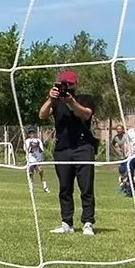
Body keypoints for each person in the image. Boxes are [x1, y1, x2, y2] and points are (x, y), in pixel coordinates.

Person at [41, 72, 98, 236]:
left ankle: (88, 222)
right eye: (64, 84)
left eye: (69, 84)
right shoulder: (56, 102)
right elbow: (42, 114)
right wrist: (51, 99)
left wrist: (72, 102)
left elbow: (86, 114)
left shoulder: (85, 98)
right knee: (64, 188)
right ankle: (67, 223)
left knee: (86, 187)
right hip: (62, 150)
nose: (66, 87)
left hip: (83, 148)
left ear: (75, 84)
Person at [23, 129, 47, 194]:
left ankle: (45, 187)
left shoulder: (39, 140)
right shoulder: (27, 141)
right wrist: (31, 146)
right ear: (29, 135)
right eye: (31, 133)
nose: (32, 135)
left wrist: (37, 145)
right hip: (30, 161)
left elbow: (41, 150)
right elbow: (26, 150)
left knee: (41, 172)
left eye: (33, 133)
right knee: (30, 174)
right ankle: (31, 188)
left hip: (38, 160)